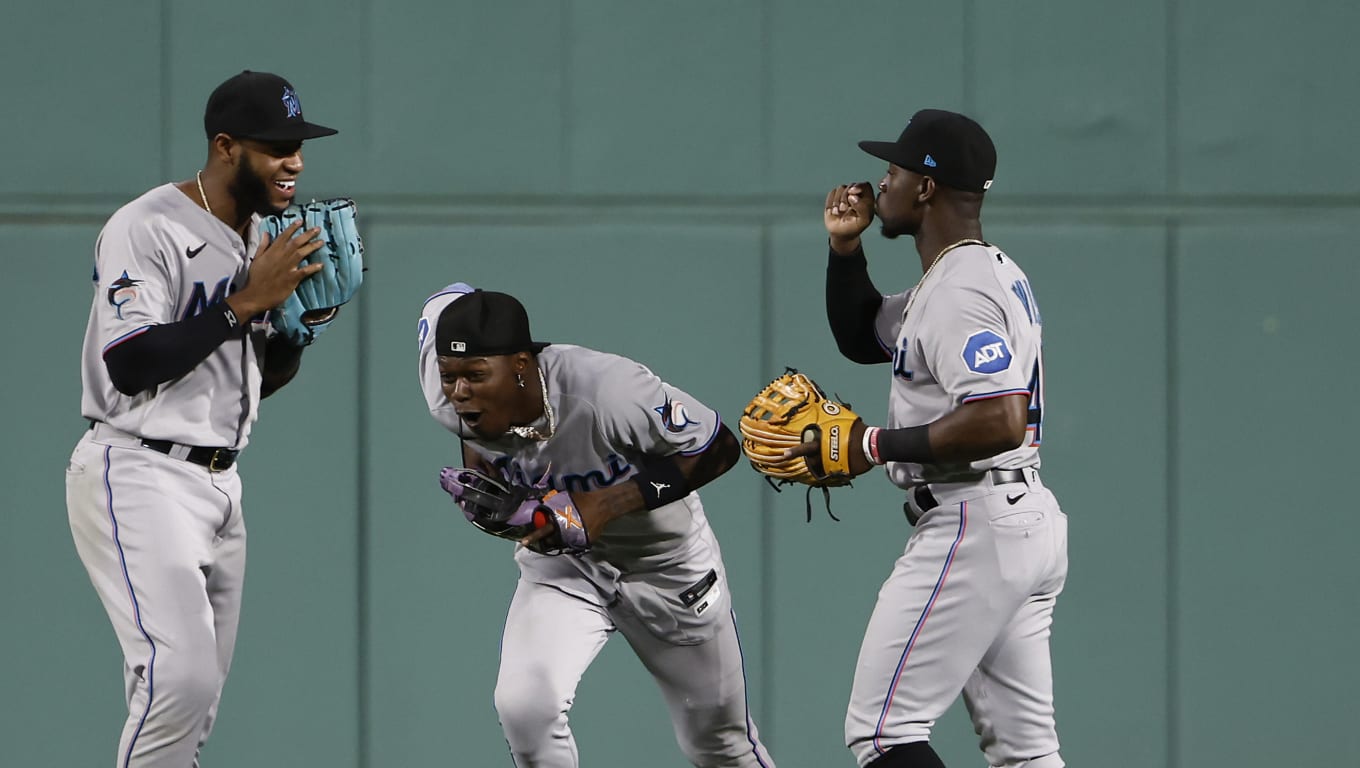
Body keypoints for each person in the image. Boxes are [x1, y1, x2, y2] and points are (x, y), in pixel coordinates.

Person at [64, 70, 340, 767]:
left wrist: (293, 334)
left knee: (196, 701)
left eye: (298, 145)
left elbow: (250, 382)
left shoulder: (260, 240)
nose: (295, 162)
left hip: (219, 481)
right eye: (276, 147)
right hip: (137, 469)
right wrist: (245, 303)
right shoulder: (147, 225)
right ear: (225, 147)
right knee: (176, 679)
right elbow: (129, 364)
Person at [416, 286, 776, 768]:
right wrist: (492, 492)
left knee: (720, 746)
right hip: (568, 569)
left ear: (522, 364)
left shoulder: (607, 390)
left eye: (476, 376)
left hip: (667, 569)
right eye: (449, 376)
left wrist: (603, 505)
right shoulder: (447, 395)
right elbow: (446, 299)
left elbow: (718, 447)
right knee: (525, 707)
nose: (458, 392)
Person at [810, 109, 1069, 768]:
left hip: (974, 518)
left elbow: (998, 417)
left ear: (925, 187)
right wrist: (846, 250)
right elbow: (863, 333)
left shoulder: (960, 287)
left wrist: (873, 445)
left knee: (882, 731)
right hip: (1016, 518)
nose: (880, 184)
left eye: (892, 171)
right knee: (1027, 755)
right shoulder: (971, 276)